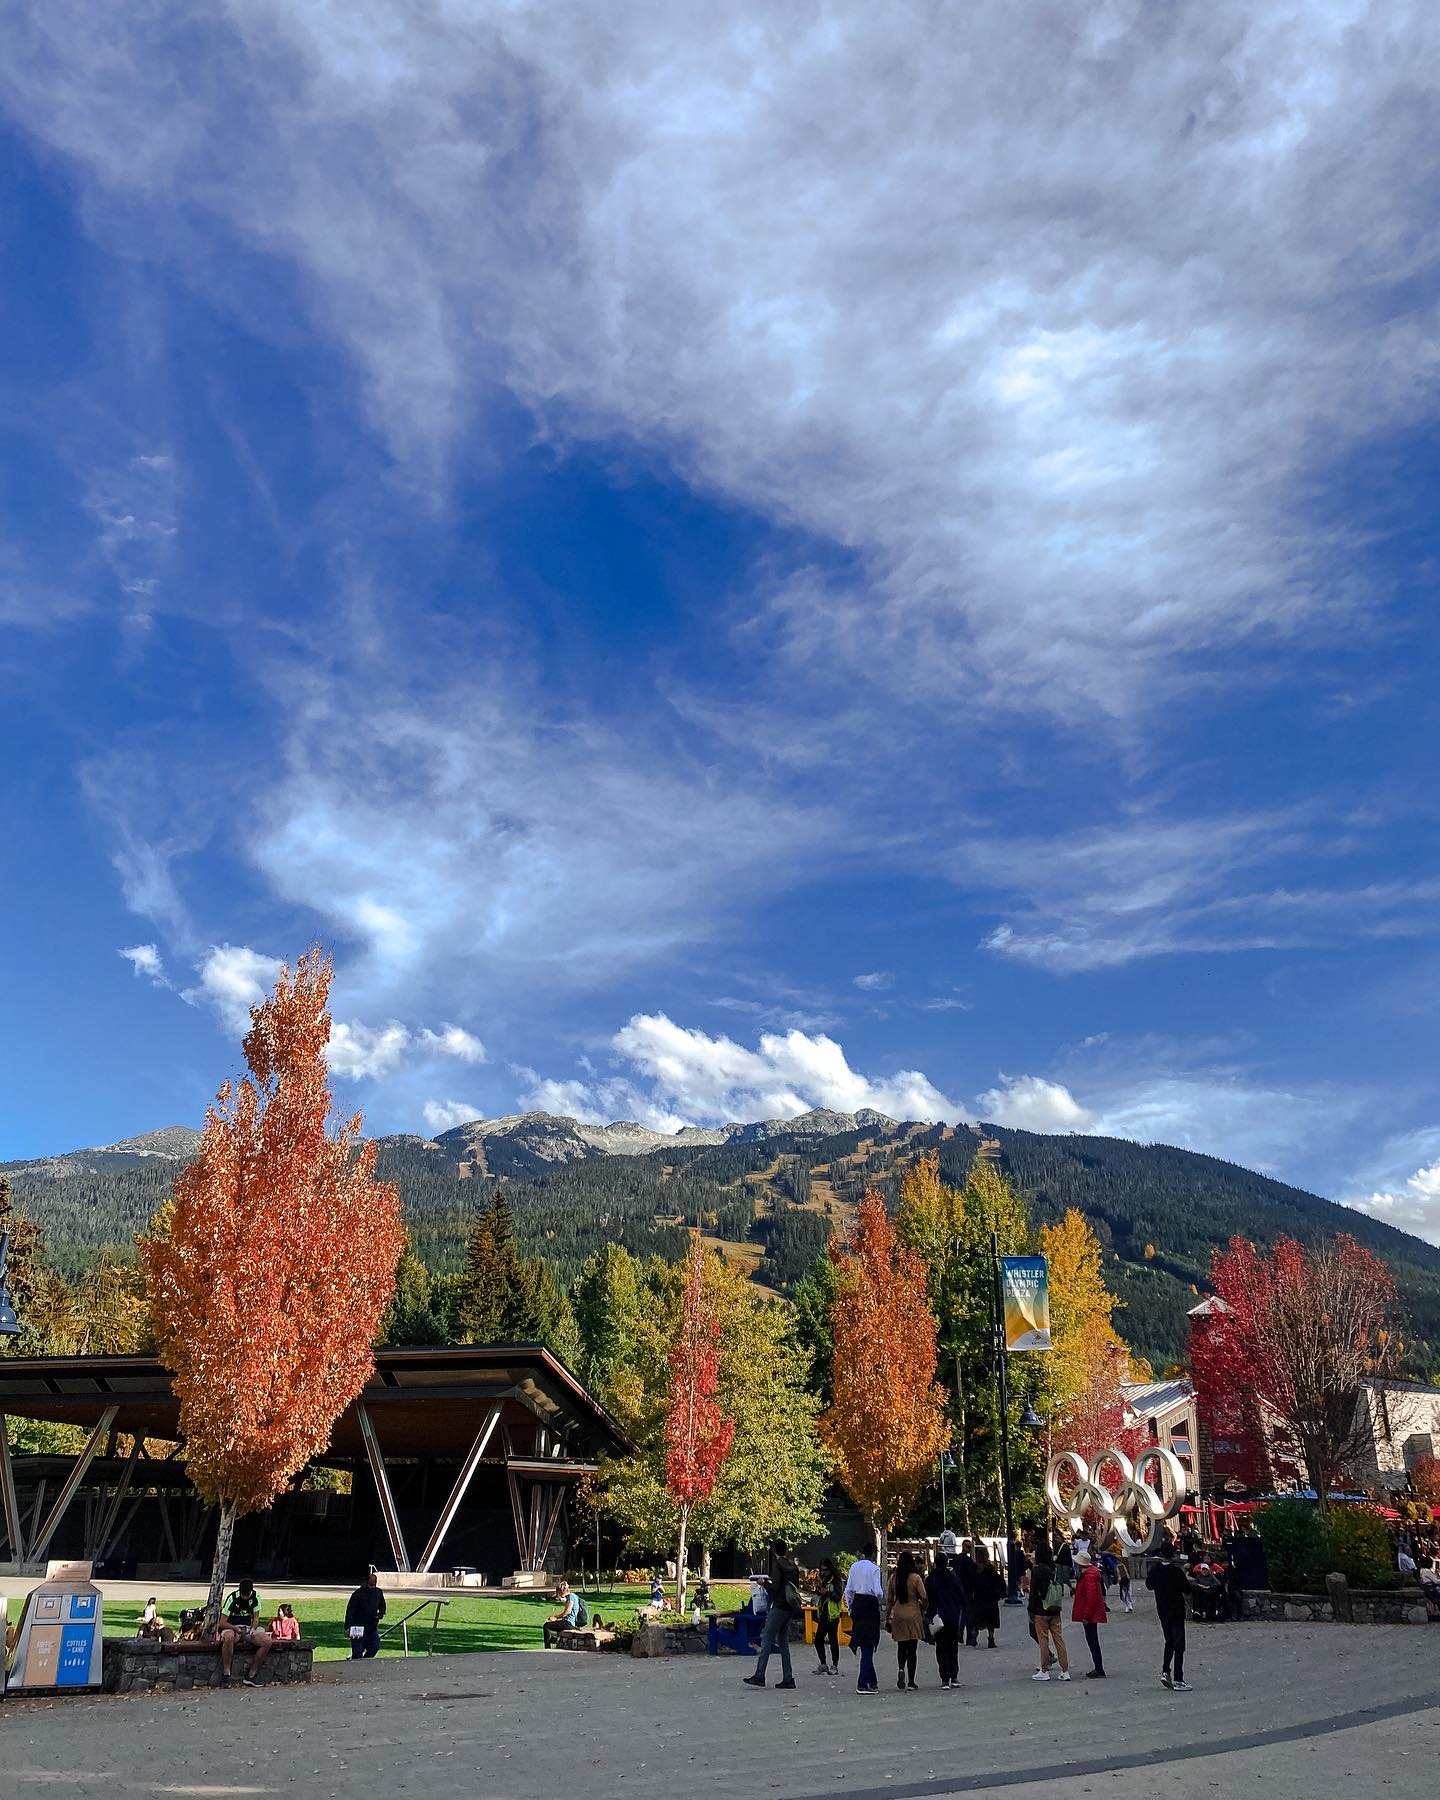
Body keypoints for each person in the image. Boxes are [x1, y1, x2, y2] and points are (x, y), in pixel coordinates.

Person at [743, 1540, 800, 1690]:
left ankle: (760, 1675)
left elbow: (774, 1587)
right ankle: (788, 1677)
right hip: (790, 1606)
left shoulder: (778, 1565)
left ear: (774, 1551)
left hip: (779, 1605)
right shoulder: (793, 1566)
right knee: (783, 1642)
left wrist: (763, 1583)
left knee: (767, 1637)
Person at [1146, 1541, 1192, 1691]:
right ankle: (1178, 1678)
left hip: (1162, 1610)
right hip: (1176, 1610)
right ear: (1173, 1555)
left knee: (1169, 1641)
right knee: (1179, 1644)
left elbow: (1149, 1585)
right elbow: (1187, 1589)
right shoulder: (1176, 1571)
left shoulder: (1155, 1570)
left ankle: (1166, 1671)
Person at [1024, 1541, 1070, 1682]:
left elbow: (1033, 1593)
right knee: (1059, 1639)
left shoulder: (1038, 1570)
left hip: (1040, 1609)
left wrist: (1030, 1610)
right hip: (1054, 1608)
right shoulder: (1053, 1569)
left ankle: (1044, 1669)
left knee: (1043, 1640)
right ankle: (1065, 1670)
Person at [885, 1549, 928, 1691]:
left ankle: (901, 1668)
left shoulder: (894, 1578)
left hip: (898, 1614)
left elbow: (890, 1600)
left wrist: (886, 1618)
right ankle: (911, 1682)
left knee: (901, 1647)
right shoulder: (916, 1578)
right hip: (913, 1614)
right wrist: (923, 1607)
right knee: (912, 1649)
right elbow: (924, 1597)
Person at [218, 1580, 273, 1687]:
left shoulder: (256, 1597)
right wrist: (234, 1628)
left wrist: (253, 1628)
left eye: (246, 1595)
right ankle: (226, 1674)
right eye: (243, 1595)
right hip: (232, 1627)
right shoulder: (233, 1598)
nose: (244, 1598)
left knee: (267, 1641)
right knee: (228, 1637)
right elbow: (222, 1622)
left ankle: (252, 1675)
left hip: (247, 1628)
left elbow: (256, 1617)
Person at [844, 1549, 884, 1693]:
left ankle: (872, 1681)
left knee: (862, 1641)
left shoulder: (854, 1566)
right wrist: (879, 1598)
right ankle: (862, 1683)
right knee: (869, 1643)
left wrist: (849, 1608)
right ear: (873, 1554)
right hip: (870, 1605)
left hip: (858, 1604)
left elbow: (848, 1590)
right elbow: (878, 1591)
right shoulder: (874, 1569)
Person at [926, 1551, 964, 1690]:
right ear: (947, 1562)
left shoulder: (931, 1579)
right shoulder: (952, 1577)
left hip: (938, 1615)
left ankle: (944, 1678)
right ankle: (954, 1676)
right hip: (952, 1615)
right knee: (952, 1646)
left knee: (941, 1647)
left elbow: (928, 1597)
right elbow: (961, 1593)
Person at [1071, 1549, 1108, 1678]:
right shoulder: (1091, 1574)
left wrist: (1086, 1615)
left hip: (1089, 1614)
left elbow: (1091, 1597)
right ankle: (1098, 1667)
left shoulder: (1089, 1576)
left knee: (1092, 1640)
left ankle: (1099, 1668)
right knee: (1093, 1640)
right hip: (1091, 1612)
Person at [968, 1543, 1005, 1648]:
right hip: (990, 1597)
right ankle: (991, 1639)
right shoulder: (990, 1568)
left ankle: (974, 1636)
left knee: (977, 1618)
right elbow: (998, 1580)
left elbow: (970, 1582)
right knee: (991, 1620)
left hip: (978, 1597)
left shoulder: (973, 1568)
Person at [346, 1570, 386, 1660]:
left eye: (374, 1585)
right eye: (370, 1585)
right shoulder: (358, 1594)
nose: (372, 1587)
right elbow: (350, 1611)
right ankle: (356, 1661)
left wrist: (381, 1613)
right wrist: (347, 1627)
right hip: (358, 1626)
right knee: (357, 1652)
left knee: (375, 1646)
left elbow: (382, 1605)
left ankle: (365, 1661)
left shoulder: (378, 1593)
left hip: (372, 1627)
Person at [812, 1556, 842, 1675]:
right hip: (824, 1614)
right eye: (822, 1570)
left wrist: (828, 1593)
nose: (823, 1572)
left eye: (825, 1570)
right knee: (818, 1639)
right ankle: (823, 1663)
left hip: (832, 1614)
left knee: (833, 1640)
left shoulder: (835, 1580)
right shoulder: (824, 1580)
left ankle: (834, 1665)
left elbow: (838, 1596)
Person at [544, 1579, 581, 1647]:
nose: (558, 1594)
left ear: (563, 1590)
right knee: (555, 1627)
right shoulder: (572, 1597)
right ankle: (554, 1640)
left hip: (568, 1623)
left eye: (559, 1592)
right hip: (569, 1622)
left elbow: (566, 1612)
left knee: (546, 1626)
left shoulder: (571, 1596)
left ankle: (548, 1646)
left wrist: (555, 1617)